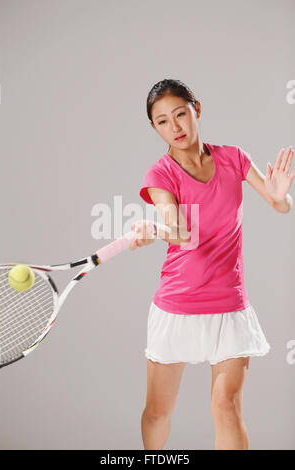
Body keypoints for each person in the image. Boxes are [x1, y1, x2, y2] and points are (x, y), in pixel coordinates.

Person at [130, 79, 294, 450]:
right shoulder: (160, 174)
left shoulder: (233, 158)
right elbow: (179, 229)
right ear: (154, 128)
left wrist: (283, 197)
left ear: (196, 109)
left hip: (229, 307)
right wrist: (156, 229)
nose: (175, 128)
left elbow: (277, 203)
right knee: (157, 413)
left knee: (227, 407)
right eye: (162, 122)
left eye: (180, 114)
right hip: (177, 305)